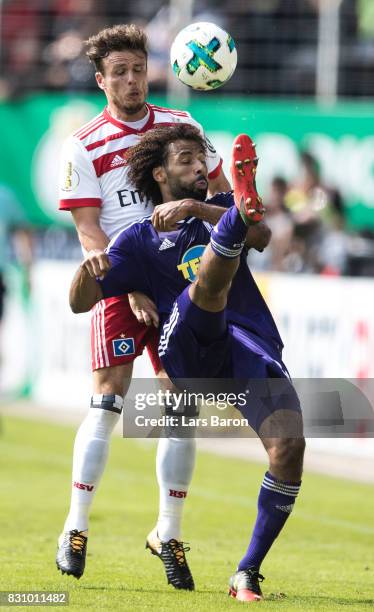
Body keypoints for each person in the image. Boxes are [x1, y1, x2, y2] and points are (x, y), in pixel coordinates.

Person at [69, 123, 305, 602]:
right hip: (186, 349)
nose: (199, 167)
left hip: (243, 344)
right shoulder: (136, 240)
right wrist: (86, 268)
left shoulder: (215, 209)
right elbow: (80, 302)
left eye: (203, 160)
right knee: (204, 289)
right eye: (185, 161)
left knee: (289, 447)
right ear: (159, 173)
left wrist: (201, 207)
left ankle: (247, 572)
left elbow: (259, 235)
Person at [56, 23, 230, 589]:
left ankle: (168, 534)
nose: (132, 81)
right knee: (109, 403)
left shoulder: (184, 129)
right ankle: (75, 526)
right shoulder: (84, 143)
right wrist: (128, 279)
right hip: (120, 278)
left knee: (182, 411)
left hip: (180, 283)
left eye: (139, 69)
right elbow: (89, 232)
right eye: (120, 72)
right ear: (102, 80)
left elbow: (221, 199)